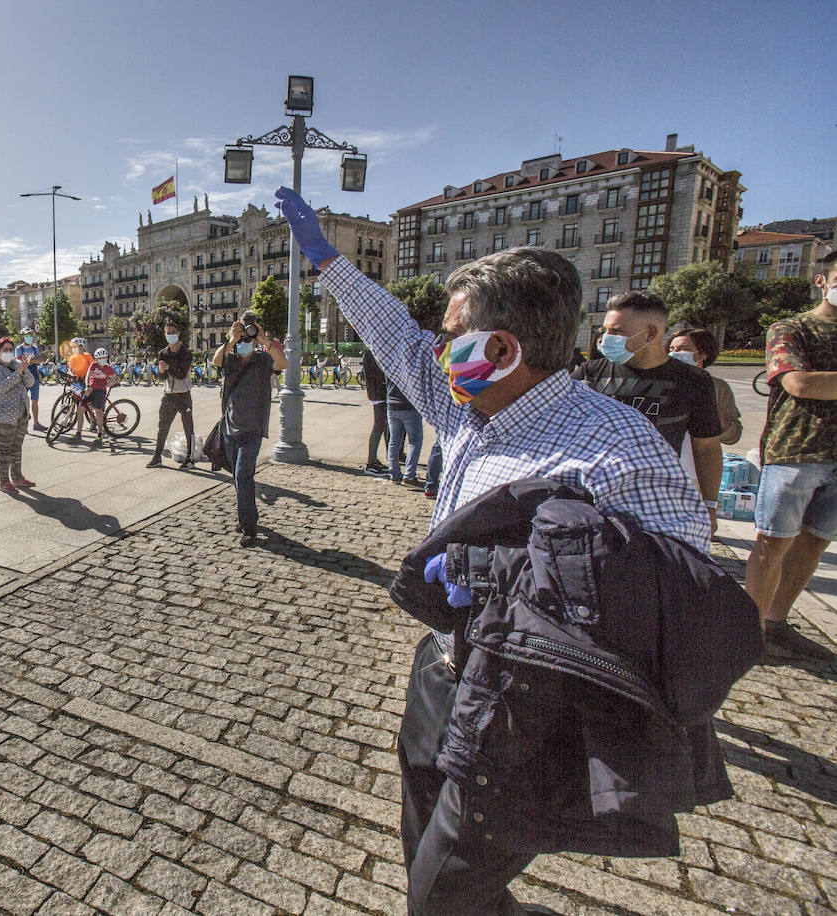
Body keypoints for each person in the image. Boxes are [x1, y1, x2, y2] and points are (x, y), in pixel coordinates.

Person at [276, 186, 713, 915]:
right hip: (444, 671)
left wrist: (500, 572)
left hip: (528, 709)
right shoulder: (470, 404)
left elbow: (677, 600)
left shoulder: (618, 452)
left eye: (451, 336)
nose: (436, 351)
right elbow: (396, 338)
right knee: (426, 849)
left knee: (440, 897)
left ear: (502, 347)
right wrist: (327, 261)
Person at [744, 251, 837, 660]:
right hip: (797, 450)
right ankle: (748, 632)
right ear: (822, 281)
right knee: (772, 544)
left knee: (815, 543)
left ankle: (777, 622)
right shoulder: (791, 328)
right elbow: (799, 383)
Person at [573, 292, 723, 534]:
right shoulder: (590, 374)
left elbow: (707, 448)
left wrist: (709, 505)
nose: (606, 338)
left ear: (651, 334)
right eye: (605, 331)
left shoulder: (693, 380)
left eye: (617, 332)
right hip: (591, 501)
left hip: (656, 504)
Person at [211, 310, 287, 545]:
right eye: (244, 336)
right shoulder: (231, 359)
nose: (246, 342)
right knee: (238, 477)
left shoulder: (263, 360)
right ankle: (248, 515)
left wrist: (264, 340)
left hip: (252, 429)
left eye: (249, 337)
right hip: (230, 428)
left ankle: (249, 529)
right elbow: (215, 360)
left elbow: (283, 363)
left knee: (244, 475)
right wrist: (233, 338)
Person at [668, 328, 742, 445]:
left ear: (704, 354)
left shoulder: (718, 387)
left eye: (683, 349)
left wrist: (719, 422)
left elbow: (733, 436)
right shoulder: (659, 381)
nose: (675, 353)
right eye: (671, 349)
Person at [0, 336, 36, 493]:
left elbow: (31, 382)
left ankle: (17, 478)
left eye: (10, 349)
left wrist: (24, 368)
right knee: (4, 451)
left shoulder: (16, 364)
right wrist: (18, 372)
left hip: (21, 415)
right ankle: (4, 482)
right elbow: (2, 387)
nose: (8, 352)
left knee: (17, 448)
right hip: (4, 417)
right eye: (5, 350)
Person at [148, 319, 195, 468]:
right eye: (168, 333)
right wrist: (161, 371)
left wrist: (168, 367)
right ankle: (157, 456)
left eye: (173, 332)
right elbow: (162, 377)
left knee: (188, 427)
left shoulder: (186, 353)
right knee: (163, 426)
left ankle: (190, 457)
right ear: (165, 335)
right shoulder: (163, 353)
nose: (171, 335)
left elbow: (181, 374)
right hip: (168, 394)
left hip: (183, 394)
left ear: (179, 333)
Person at [387, 374, 423, 487]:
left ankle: (394, 473)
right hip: (409, 405)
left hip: (392, 403)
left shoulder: (390, 363)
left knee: (394, 440)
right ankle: (409, 475)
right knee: (415, 442)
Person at [362, 349, 389, 476]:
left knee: (381, 426)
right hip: (378, 393)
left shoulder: (372, 352)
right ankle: (371, 463)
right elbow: (379, 374)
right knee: (379, 426)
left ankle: (373, 461)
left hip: (377, 392)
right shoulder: (372, 352)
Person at [84, 348, 118, 447]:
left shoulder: (108, 368)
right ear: (96, 359)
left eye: (104, 358)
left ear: (106, 358)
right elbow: (88, 376)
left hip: (101, 391)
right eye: (100, 358)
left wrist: (107, 385)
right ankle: (90, 424)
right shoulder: (93, 365)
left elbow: (117, 379)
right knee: (82, 407)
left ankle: (99, 436)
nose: (102, 359)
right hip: (92, 389)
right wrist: (87, 386)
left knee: (98, 411)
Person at [14, 328, 45, 431]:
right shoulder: (19, 348)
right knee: (23, 402)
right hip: (23, 378)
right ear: (22, 337)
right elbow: (19, 362)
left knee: (35, 401)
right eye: (27, 335)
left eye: (30, 335)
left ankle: (36, 423)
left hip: (35, 377)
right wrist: (32, 360)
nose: (29, 337)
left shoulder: (35, 348)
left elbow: (40, 360)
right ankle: (23, 424)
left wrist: (29, 361)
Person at [67, 338, 94, 440]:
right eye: (73, 347)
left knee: (85, 405)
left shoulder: (87, 356)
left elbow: (93, 367)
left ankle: (93, 420)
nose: (74, 349)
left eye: (76, 347)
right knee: (74, 401)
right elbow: (70, 369)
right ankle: (69, 420)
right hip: (76, 382)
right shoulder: (73, 358)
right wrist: (71, 374)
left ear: (81, 347)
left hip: (86, 382)